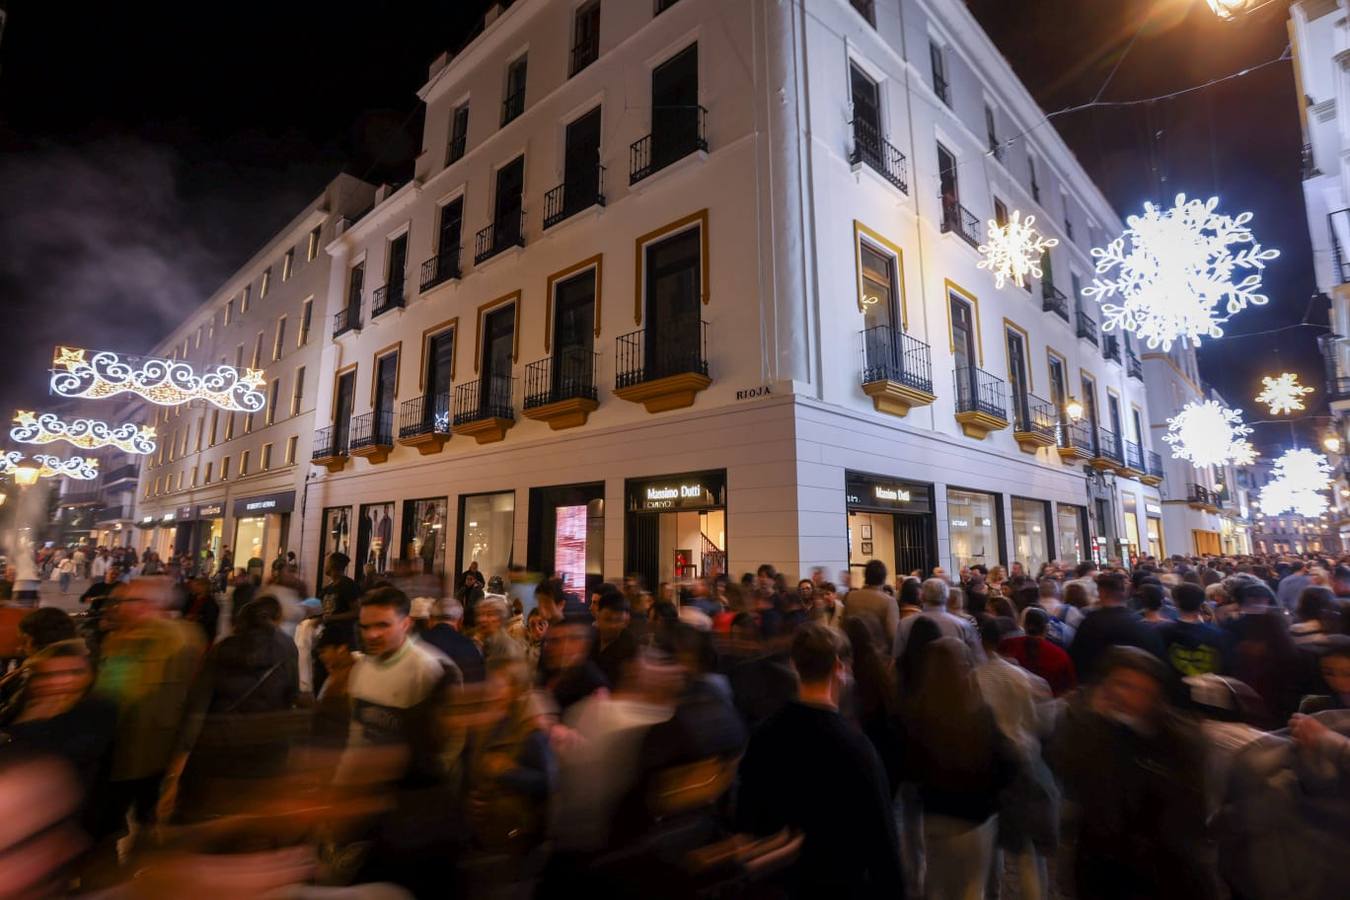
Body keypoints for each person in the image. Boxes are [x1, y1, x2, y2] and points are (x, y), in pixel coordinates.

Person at [736, 624, 905, 897]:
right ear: (840, 667)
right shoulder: (855, 746)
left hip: (781, 885)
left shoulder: (765, 734)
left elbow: (747, 816)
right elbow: (881, 841)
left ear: (794, 665)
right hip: (839, 883)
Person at [1049, 647, 1210, 900]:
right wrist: (1093, 722)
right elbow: (1070, 771)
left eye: (1140, 689)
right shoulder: (1089, 726)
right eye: (1121, 685)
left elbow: (1186, 811)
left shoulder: (1179, 740)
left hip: (1163, 871)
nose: (1127, 696)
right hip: (1102, 864)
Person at [90, 578, 203, 862]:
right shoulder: (117, 639)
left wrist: (181, 760)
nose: (120, 607)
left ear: (152, 605)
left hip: (155, 756)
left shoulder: (181, 639)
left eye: (129, 601)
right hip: (114, 751)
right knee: (105, 828)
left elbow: (193, 703)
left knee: (149, 825)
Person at [900, 637, 1017, 900]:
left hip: (935, 814)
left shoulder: (917, 713)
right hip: (976, 817)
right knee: (971, 889)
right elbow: (1004, 763)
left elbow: (910, 766)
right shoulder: (979, 714)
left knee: (937, 886)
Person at [165, 596, 300, 822]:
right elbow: (291, 697)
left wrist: (176, 770)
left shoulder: (221, 650)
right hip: (267, 751)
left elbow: (197, 710)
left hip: (220, 749)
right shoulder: (287, 648)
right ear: (275, 620)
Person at [344, 586, 462, 786]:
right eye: (365, 627)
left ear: (405, 624)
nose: (372, 635)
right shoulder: (361, 669)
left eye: (383, 625)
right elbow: (356, 736)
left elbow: (451, 746)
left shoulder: (430, 669)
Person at [1068, 572, 1163, 682]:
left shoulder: (1089, 624)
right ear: (1124, 592)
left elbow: (1076, 659)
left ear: (1101, 593)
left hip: (1099, 686)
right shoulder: (1140, 623)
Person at [893, 576, 983, 662]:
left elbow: (897, 656)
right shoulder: (963, 624)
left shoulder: (905, 623)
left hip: (915, 676)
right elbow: (977, 658)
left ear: (921, 597)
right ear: (947, 597)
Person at [1158, 583, 1230, 681]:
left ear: (1176, 603)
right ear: (1201, 603)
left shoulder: (1162, 631)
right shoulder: (1219, 634)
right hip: (1209, 688)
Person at [999, 606, 1076, 697]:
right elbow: (1070, 688)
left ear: (1024, 626)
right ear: (1047, 628)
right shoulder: (1060, 656)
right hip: (1050, 707)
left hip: (1011, 701)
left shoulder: (1007, 645)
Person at [843, 559, 900, 645]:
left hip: (853, 651)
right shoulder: (888, 602)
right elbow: (893, 635)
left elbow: (843, 625)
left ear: (865, 576)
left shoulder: (850, 597)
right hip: (878, 653)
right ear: (884, 578)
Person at [590, 588, 638, 688]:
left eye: (618, 620)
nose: (612, 625)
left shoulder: (631, 649)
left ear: (626, 621)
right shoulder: (591, 638)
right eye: (608, 619)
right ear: (598, 615)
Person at [320, 551, 361, 623]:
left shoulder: (347, 585)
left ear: (333, 564)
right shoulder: (328, 588)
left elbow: (357, 612)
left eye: (327, 563)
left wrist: (332, 618)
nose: (325, 566)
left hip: (342, 632)